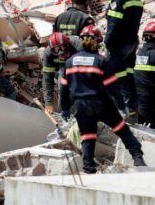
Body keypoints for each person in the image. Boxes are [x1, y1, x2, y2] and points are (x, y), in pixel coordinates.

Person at [60, 25, 145, 173]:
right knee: (122, 129)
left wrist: (65, 108)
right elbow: (112, 87)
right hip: (101, 103)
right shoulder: (100, 61)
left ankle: (88, 168)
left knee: (87, 137)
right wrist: (120, 105)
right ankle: (138, 158)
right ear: (97, 42)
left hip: (81, 106)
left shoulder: (69, 62)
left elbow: (63, 89)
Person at [98, 0, 142, 117]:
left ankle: (120, 110)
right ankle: (133, 108)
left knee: (114, 76)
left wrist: (107, 41)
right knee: (129, 74)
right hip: (132, 41)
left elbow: (114, 22)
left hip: (119, 43)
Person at [41, 31, 75, 113]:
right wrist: (48, 103)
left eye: (64, 52)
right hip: (63, 71)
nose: (61, 55)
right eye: (57, 51)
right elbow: (47, 78)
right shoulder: (48, 54)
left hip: (79, 71)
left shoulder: (77, 45)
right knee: (62, 89)